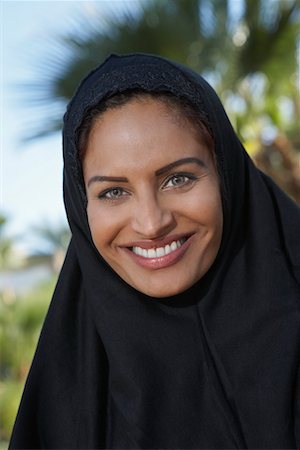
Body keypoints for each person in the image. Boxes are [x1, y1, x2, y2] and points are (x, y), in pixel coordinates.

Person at [9, 53, 300, 449]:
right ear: (81, 206)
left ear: (226, 173)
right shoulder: (65, 407)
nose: (150, 223)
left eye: (178, 178)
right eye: (114, 191)